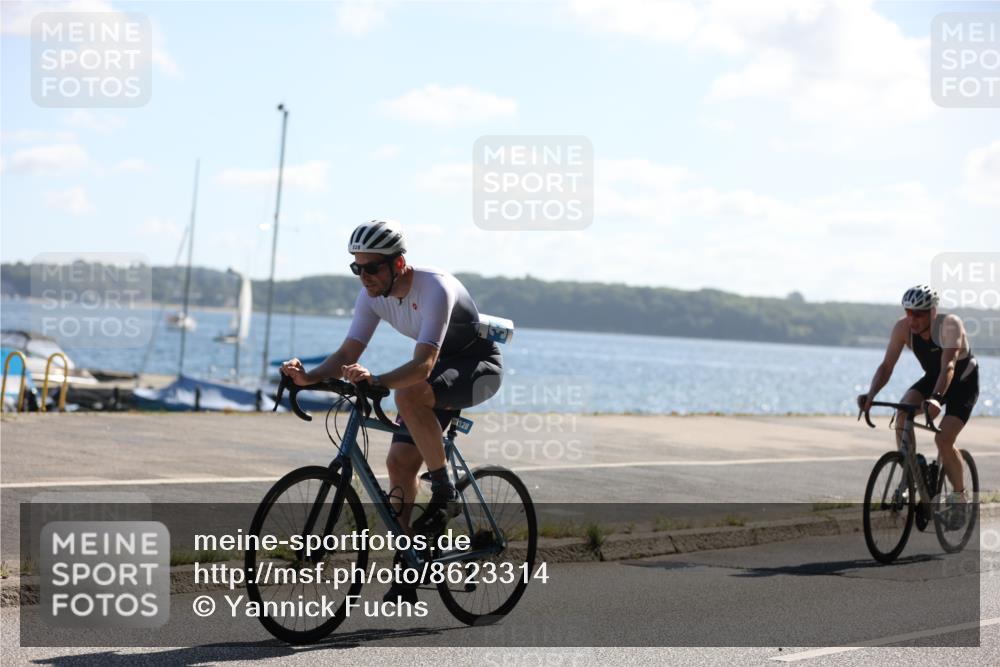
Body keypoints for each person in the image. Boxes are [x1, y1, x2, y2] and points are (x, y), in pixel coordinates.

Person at [280, 219, 503, 600]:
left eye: (372, 267)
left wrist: (377, 380)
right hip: (435, 375)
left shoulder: (435, 288)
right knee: (399, 464)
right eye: (357, 268)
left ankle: (445, 492)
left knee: (409, 393)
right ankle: (408, 562)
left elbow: (423, 366)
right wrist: (309, 378)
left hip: (476, 367)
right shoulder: (371, 296)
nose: (364, 276)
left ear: (398, 264)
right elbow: (348, 354)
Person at [858, 284, 979, 529]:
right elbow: (886, 367)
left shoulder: (950, 325)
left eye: (919, 313)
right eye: (908, 312)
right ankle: (912, 470)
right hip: (933, 377)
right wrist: (871, 395)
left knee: (943, 440)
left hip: (961, 382)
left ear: (933, 311)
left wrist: (936, 398)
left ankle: (959, 496)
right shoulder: (903, 328)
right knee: (903, 412)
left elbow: (949, 367)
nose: (912, 319)